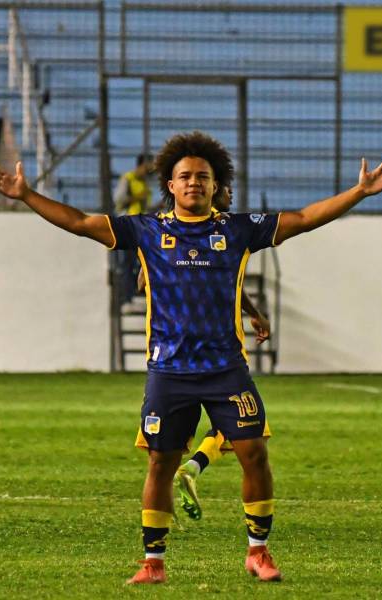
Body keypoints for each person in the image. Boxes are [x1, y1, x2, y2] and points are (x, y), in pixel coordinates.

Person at [0, 131, 382, 584]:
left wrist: (358, 192)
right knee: (160, 463)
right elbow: (81, 222)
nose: (194, 182)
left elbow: (301, 218)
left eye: (203, 176)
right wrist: (26, 195)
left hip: (227, 369)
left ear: (216, 184)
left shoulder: (239, 229)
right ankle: (153, 562)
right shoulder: (146, 230)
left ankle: (258, 552)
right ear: (170, 184)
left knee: (254, 453)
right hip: (170, 373)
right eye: (185, 176)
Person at [171, 185, 270, 522]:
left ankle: (192, 469)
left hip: (202, 356)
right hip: (217, 353)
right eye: (225, 188)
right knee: (246, 430)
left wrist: (252, 311)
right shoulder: (184, 231)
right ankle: (191, 469)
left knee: (229, 427)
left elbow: (226, 284)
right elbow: (146, 279)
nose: (230, 193)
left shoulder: (227, 230)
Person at [114, 153, 154, 310]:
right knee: (125, 262)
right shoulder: (128, 179)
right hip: (126, 225)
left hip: (140, 227)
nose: (150, 171)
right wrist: (138, 196)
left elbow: (144, 208)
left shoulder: (145, 184)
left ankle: (139, 295)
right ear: (141, 165)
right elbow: (119, 200)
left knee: (141, 262)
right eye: (148, 167)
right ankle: (126, 299)